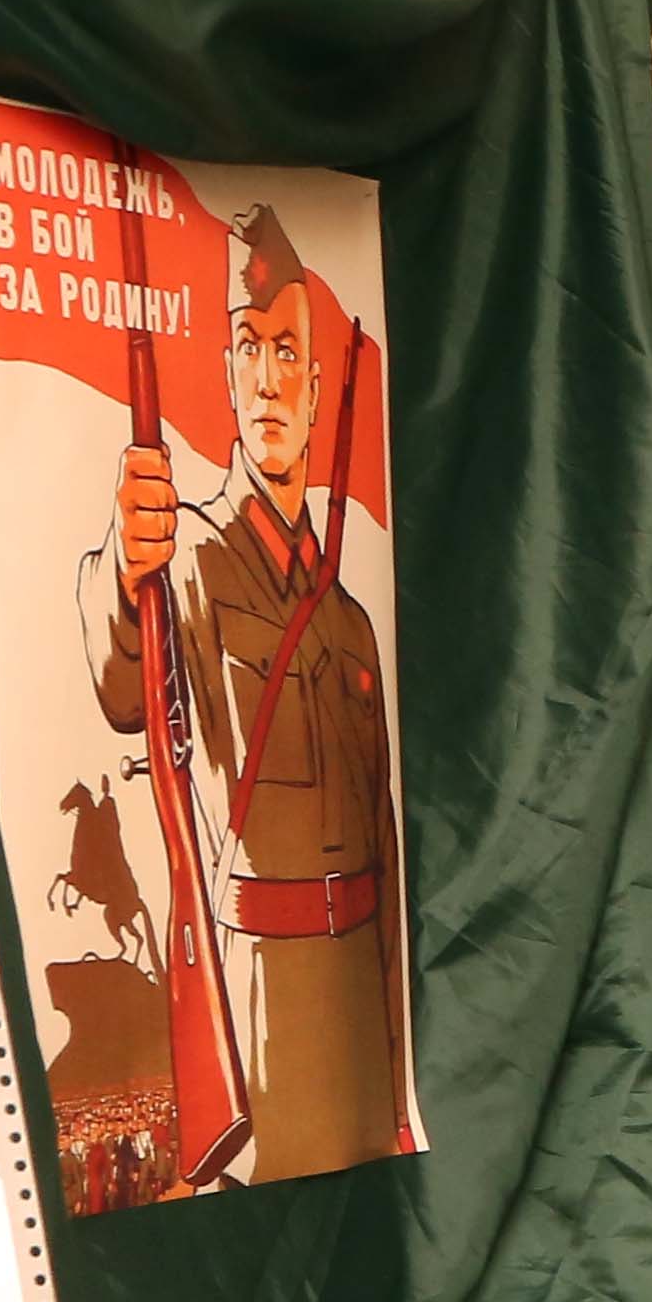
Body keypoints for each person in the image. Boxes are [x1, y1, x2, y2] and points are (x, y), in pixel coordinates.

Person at [83, 202, 406, 1189]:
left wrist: (401, 1079)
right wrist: (122, 571)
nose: (268, 377)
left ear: (315, 390)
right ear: (227, 374)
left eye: (288, 353)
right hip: (257, 992)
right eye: (249, 349)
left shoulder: (350, 618)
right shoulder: (184, 558)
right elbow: (124, 688)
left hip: (357, 1001)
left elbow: (385, 844)